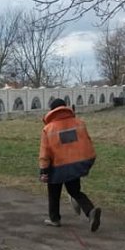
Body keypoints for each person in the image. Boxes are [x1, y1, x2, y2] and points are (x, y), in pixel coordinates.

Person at [38, 98, 102, 232]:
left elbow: (45, 152)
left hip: (57, 167)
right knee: (75, 191)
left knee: (53, 193)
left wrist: (43, 170)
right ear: (65, 108)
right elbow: (86, 142)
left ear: (52, 111)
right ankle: (90, 211)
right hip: (75, 165)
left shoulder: (48, 129)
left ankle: (55, 219)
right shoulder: (79, 123)